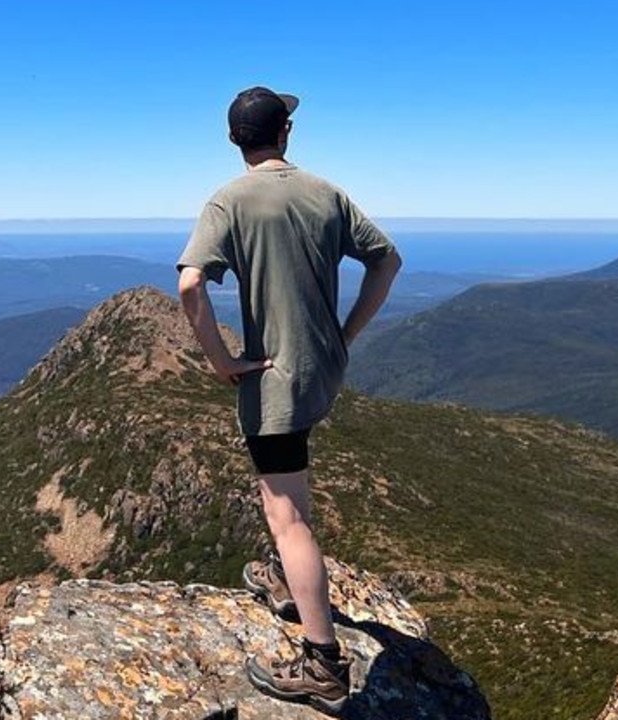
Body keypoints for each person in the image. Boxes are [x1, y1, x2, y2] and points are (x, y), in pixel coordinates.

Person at [176, 86, 402, 714]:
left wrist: (222, 362)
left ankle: (323, 663)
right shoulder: (325, 192)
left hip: (273, 380)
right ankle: (288, 577)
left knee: (287, 514)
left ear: (233, 140)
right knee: (288, 490)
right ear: (286, 134)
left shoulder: (229, 199)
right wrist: (345, 333)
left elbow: (191, 285)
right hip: (321, 371)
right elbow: (387, 260)